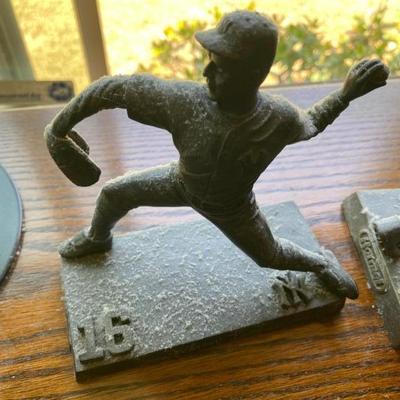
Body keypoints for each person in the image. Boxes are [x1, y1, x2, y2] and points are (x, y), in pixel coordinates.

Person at [45, 10, 389, 300]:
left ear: (254, 75)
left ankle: (321, 262)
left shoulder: (278, 117)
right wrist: (58, 128)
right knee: (114, 193)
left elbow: (311, 121)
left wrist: (345, 95)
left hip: (234, 209)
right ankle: (97, 238)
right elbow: (109, 89)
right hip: (180, 184)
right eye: (210, 60)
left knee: (269, 256)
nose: (206, 72)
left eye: (220, 67)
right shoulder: (182, 101)